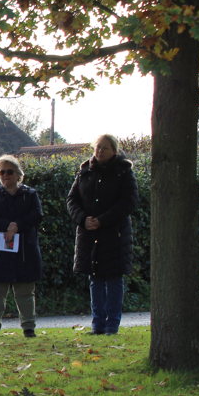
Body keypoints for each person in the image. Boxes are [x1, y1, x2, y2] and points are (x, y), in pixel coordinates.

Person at [66, 134, 139, 335]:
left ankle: (112, 325)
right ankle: (97, 325)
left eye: (105, 148)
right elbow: (72, 200)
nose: (99, 151)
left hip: (114, 235)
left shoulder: (123, 172)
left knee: (114, 280)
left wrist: (102, 220)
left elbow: (129, 202)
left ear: (114, 151)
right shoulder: (84, 172)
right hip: (89, 235)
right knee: (95, 280)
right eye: (98, 147)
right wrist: (83, 219)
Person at [0, 155, 44, 338]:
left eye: (9, 171)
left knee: (25, 293)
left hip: (25, 252)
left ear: (18, 174)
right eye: (1, 172)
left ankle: (29, 328)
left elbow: (37, 215)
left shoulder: (30, 195)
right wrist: (5, 226)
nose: (5, 175)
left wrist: (17, 226)